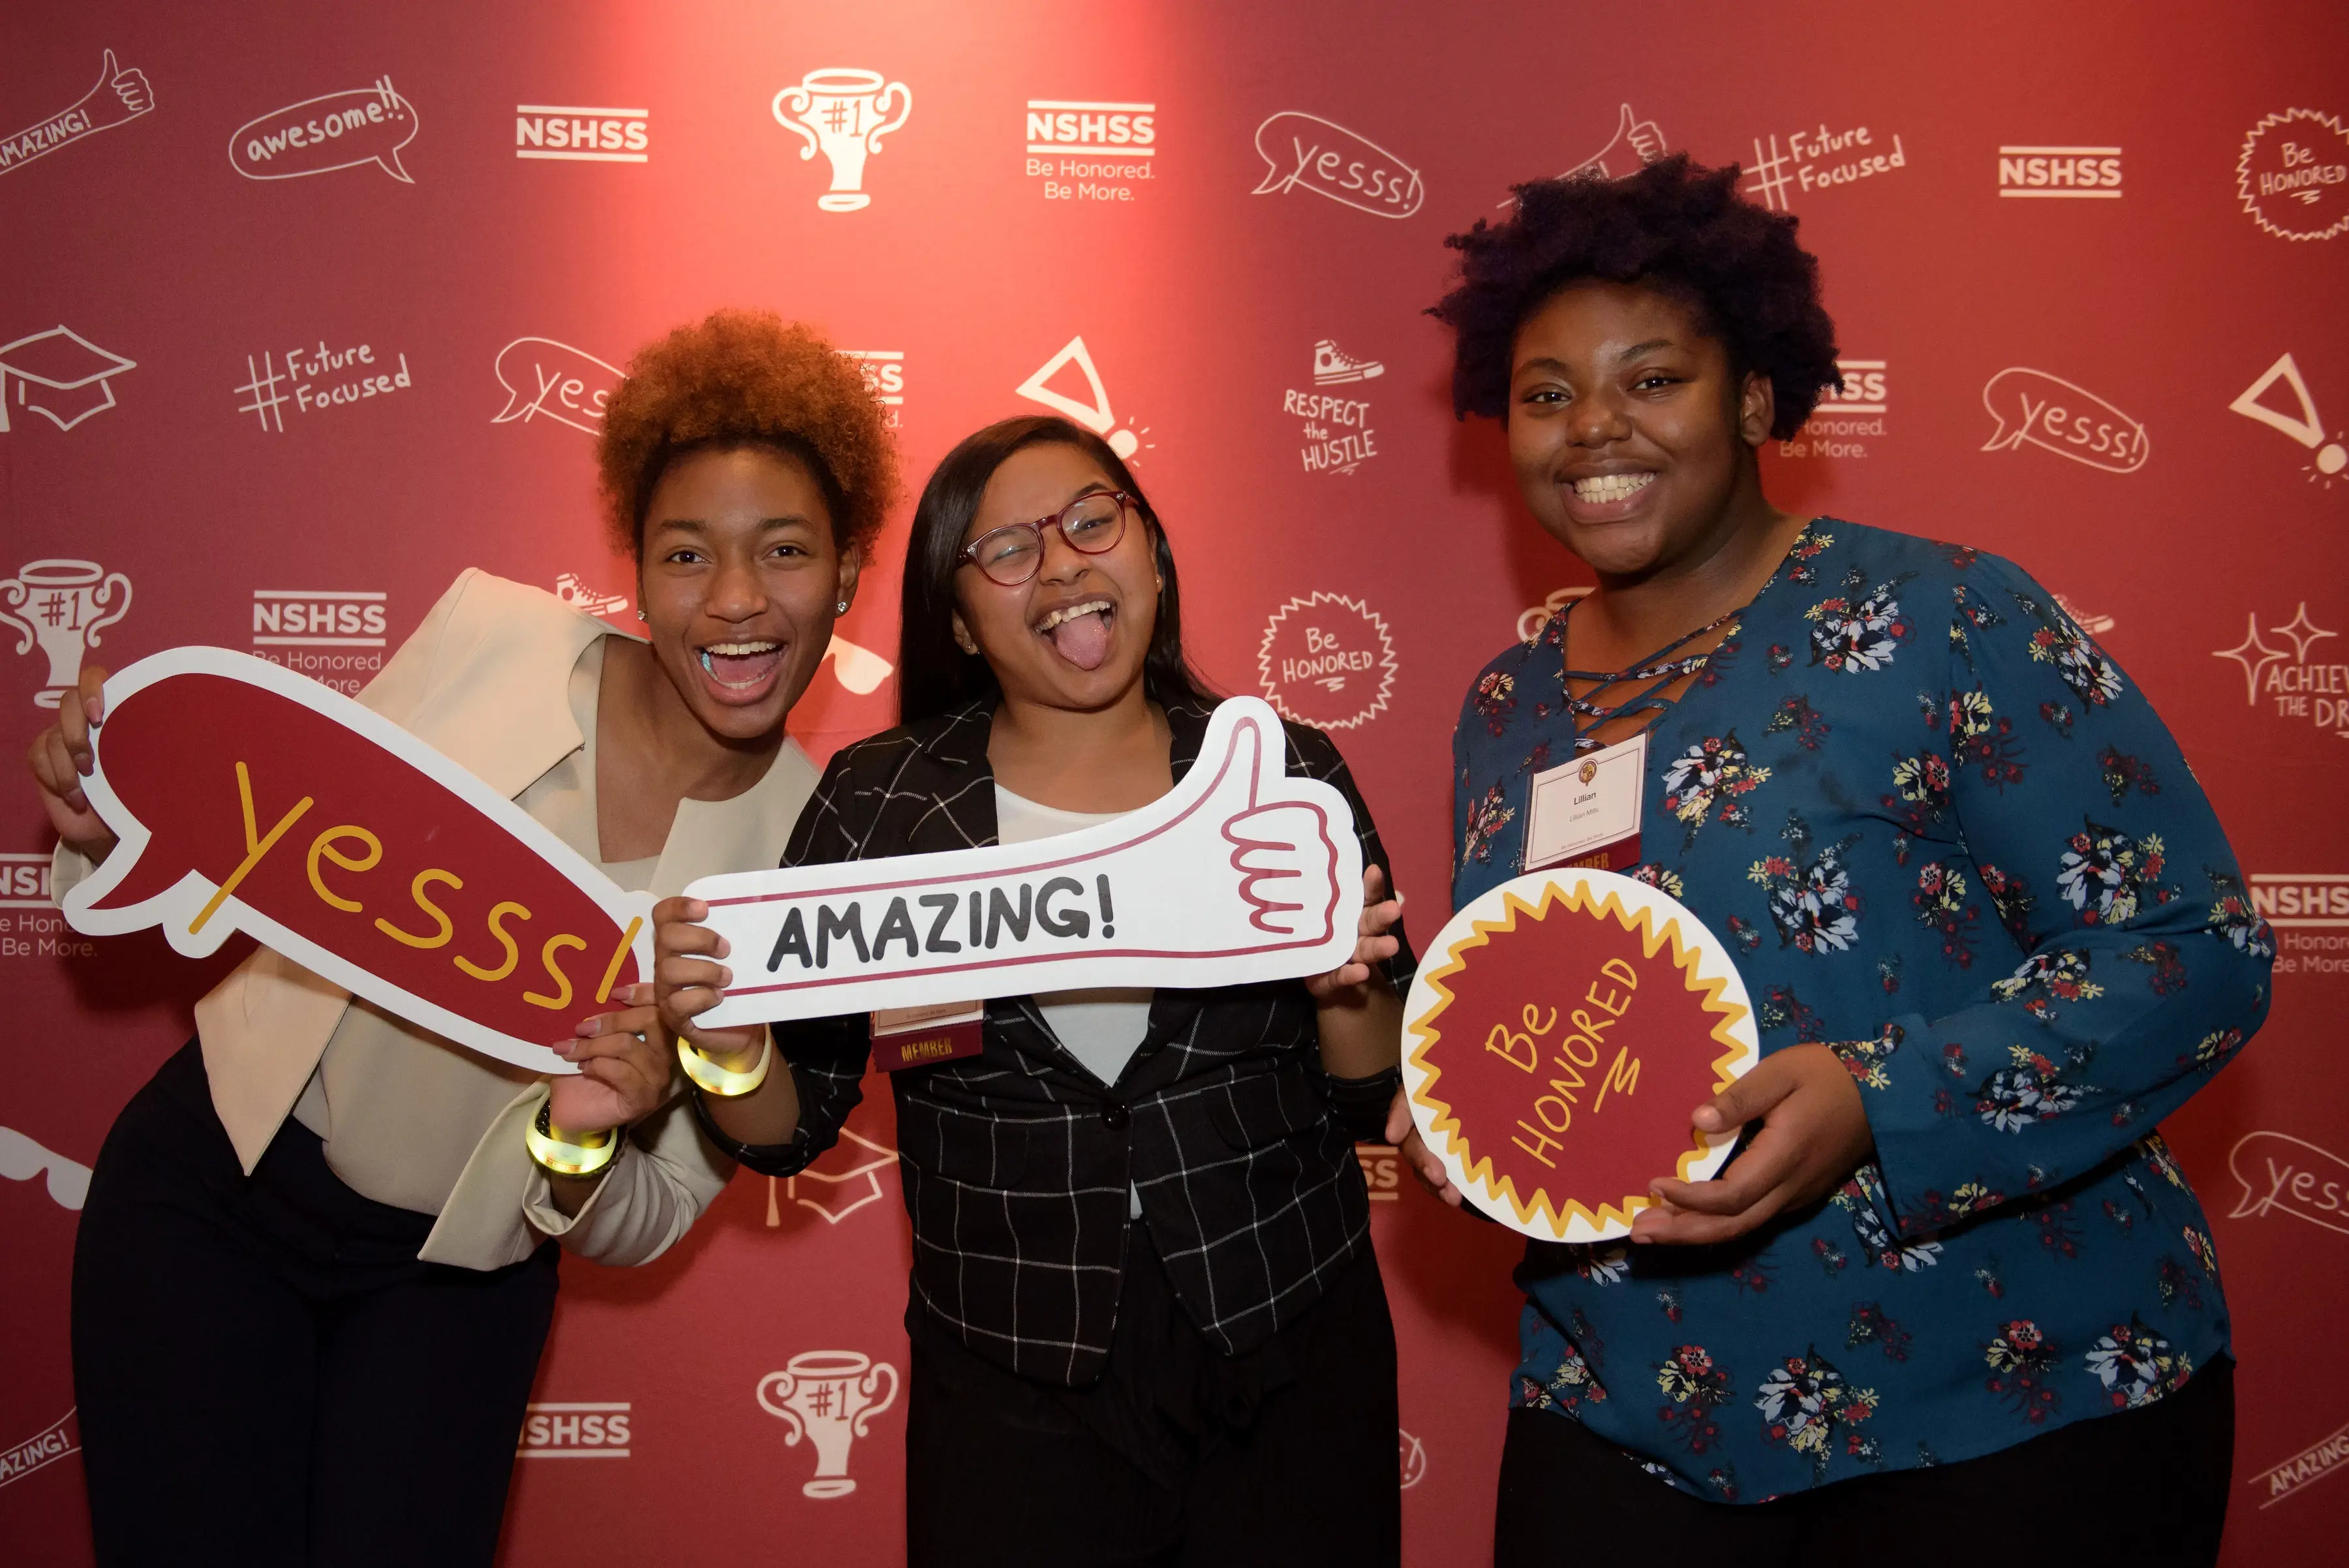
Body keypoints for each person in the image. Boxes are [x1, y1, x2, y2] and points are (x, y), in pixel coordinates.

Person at [1404, 156, 2272, 1566]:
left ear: (1756, 398)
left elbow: (2190, 946)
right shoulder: (1508, 709)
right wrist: (1467, 1108)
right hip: (1625, 1411)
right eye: (1547, 393)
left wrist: (1883, 1102)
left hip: (2005, 1407)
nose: (1592, 428)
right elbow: (1550, 1009)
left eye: (1654, 379)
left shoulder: (1940, 616)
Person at [31, 309, 896, 1567]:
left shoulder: (808, 852)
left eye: (785, 552)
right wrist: (105, 809)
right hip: (212, 1193)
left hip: (452, 1291)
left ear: (849, 575)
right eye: (686, 553)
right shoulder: (497, 634)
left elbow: (649, 1218)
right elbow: (264, 856)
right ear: (638, 567)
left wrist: (586, 1141)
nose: (737, 601)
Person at [655, 414, 1411, 1566]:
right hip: (1010, 1379)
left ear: (1150, 551)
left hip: (1288, 1341)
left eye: (1093, 520)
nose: (1061, 563)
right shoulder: (883, 806)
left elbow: (1373, 1087)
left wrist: (1337, 976)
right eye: (1007, 549)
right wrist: (728, 1036)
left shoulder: (1276, 770)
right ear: (959, 618)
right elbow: (788, 1123)